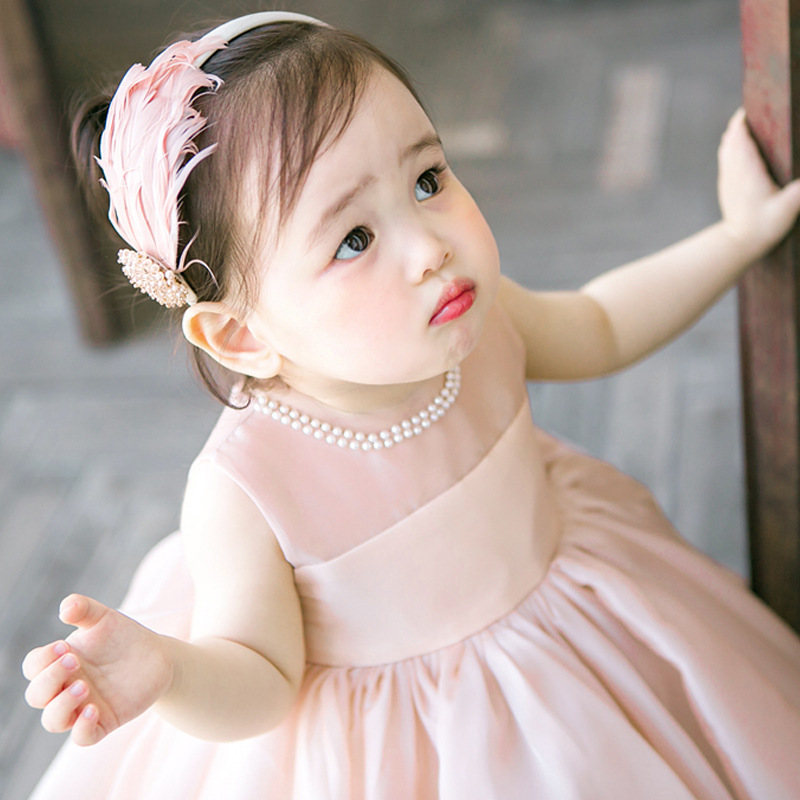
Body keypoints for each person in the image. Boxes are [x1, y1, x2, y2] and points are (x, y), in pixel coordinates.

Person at [22, 10, 800, 800]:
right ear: (242, 336)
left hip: (580, 639)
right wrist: (170, 670)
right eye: (354, 239)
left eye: (428, 181)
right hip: (403, 747)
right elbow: (260, 676)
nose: (432, 249)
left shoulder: (475, 322)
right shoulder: (246, 490)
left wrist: (737, 238)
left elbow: (598, 325)